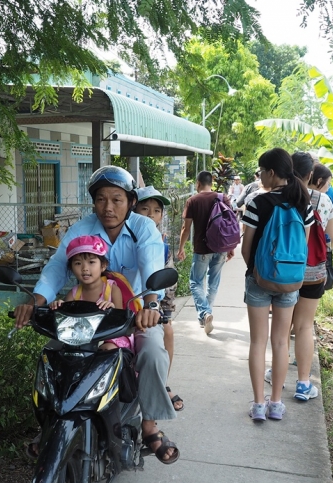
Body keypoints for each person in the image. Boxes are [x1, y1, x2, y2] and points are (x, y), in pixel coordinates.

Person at [13, 165, 179, 464]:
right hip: (85, 318)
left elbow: (152, 262)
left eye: (117, 199)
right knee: (53, 355)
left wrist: (152, 305)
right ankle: (53, 422)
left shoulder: (143, 227)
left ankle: (150, 425)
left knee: (153, 351)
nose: (108, 207)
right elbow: (56, 267)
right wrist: (36, 302)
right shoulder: (81, 229)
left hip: (133, 313)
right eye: (101, 199)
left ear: (130, 201)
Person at [241, 149, 314, 422]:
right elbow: (303, 247)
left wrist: (256, 272)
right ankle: (275, 404)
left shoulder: (257, 203)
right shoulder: (302, 203)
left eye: (261, 171)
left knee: (258, 342)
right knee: (281, 342)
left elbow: (246, 248)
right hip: (291, 281)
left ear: (272, 172)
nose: (259, 176)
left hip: (260, 280)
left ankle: (258, 404)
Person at [280, 153, 333, 402]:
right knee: (304, 327)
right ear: (310, 175)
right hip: (313, 272)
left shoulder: (279, 198)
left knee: (282, 328)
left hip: (283, 272)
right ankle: (303, 385)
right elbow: (331, 240)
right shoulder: (323, 200)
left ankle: (277, 375)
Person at [135, 186, 184, 412]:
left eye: (156, 211)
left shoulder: (162, 239)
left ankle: (161, 383)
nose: (151, 215)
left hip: (159, 297)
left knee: (168, 331)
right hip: (130, 297)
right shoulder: (129, 234)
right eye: (145, 209)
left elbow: (167, 272)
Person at [47, 235, 132, 352]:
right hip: (81, 339)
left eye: (91, 262)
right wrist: (59, 307)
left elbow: (121, 320)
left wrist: (111, 309)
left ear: (103, 266)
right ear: (71, 268)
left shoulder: (112, 289)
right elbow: (66, 320)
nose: (85, 268)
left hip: (109, 337)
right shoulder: (74, 293)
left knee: (108, 351)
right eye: (78, 263)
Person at [176, 170, 235, 335]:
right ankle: (205, 315)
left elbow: (185, 228)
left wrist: (181, 248)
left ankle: (204, 313)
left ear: (198, 183)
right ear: (211, 183)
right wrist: (230, 247)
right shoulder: (223, 198)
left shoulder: (193, 200)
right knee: (213, 283)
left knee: (195, 282)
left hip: (202, 249)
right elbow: (229, 224)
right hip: (221, 248)